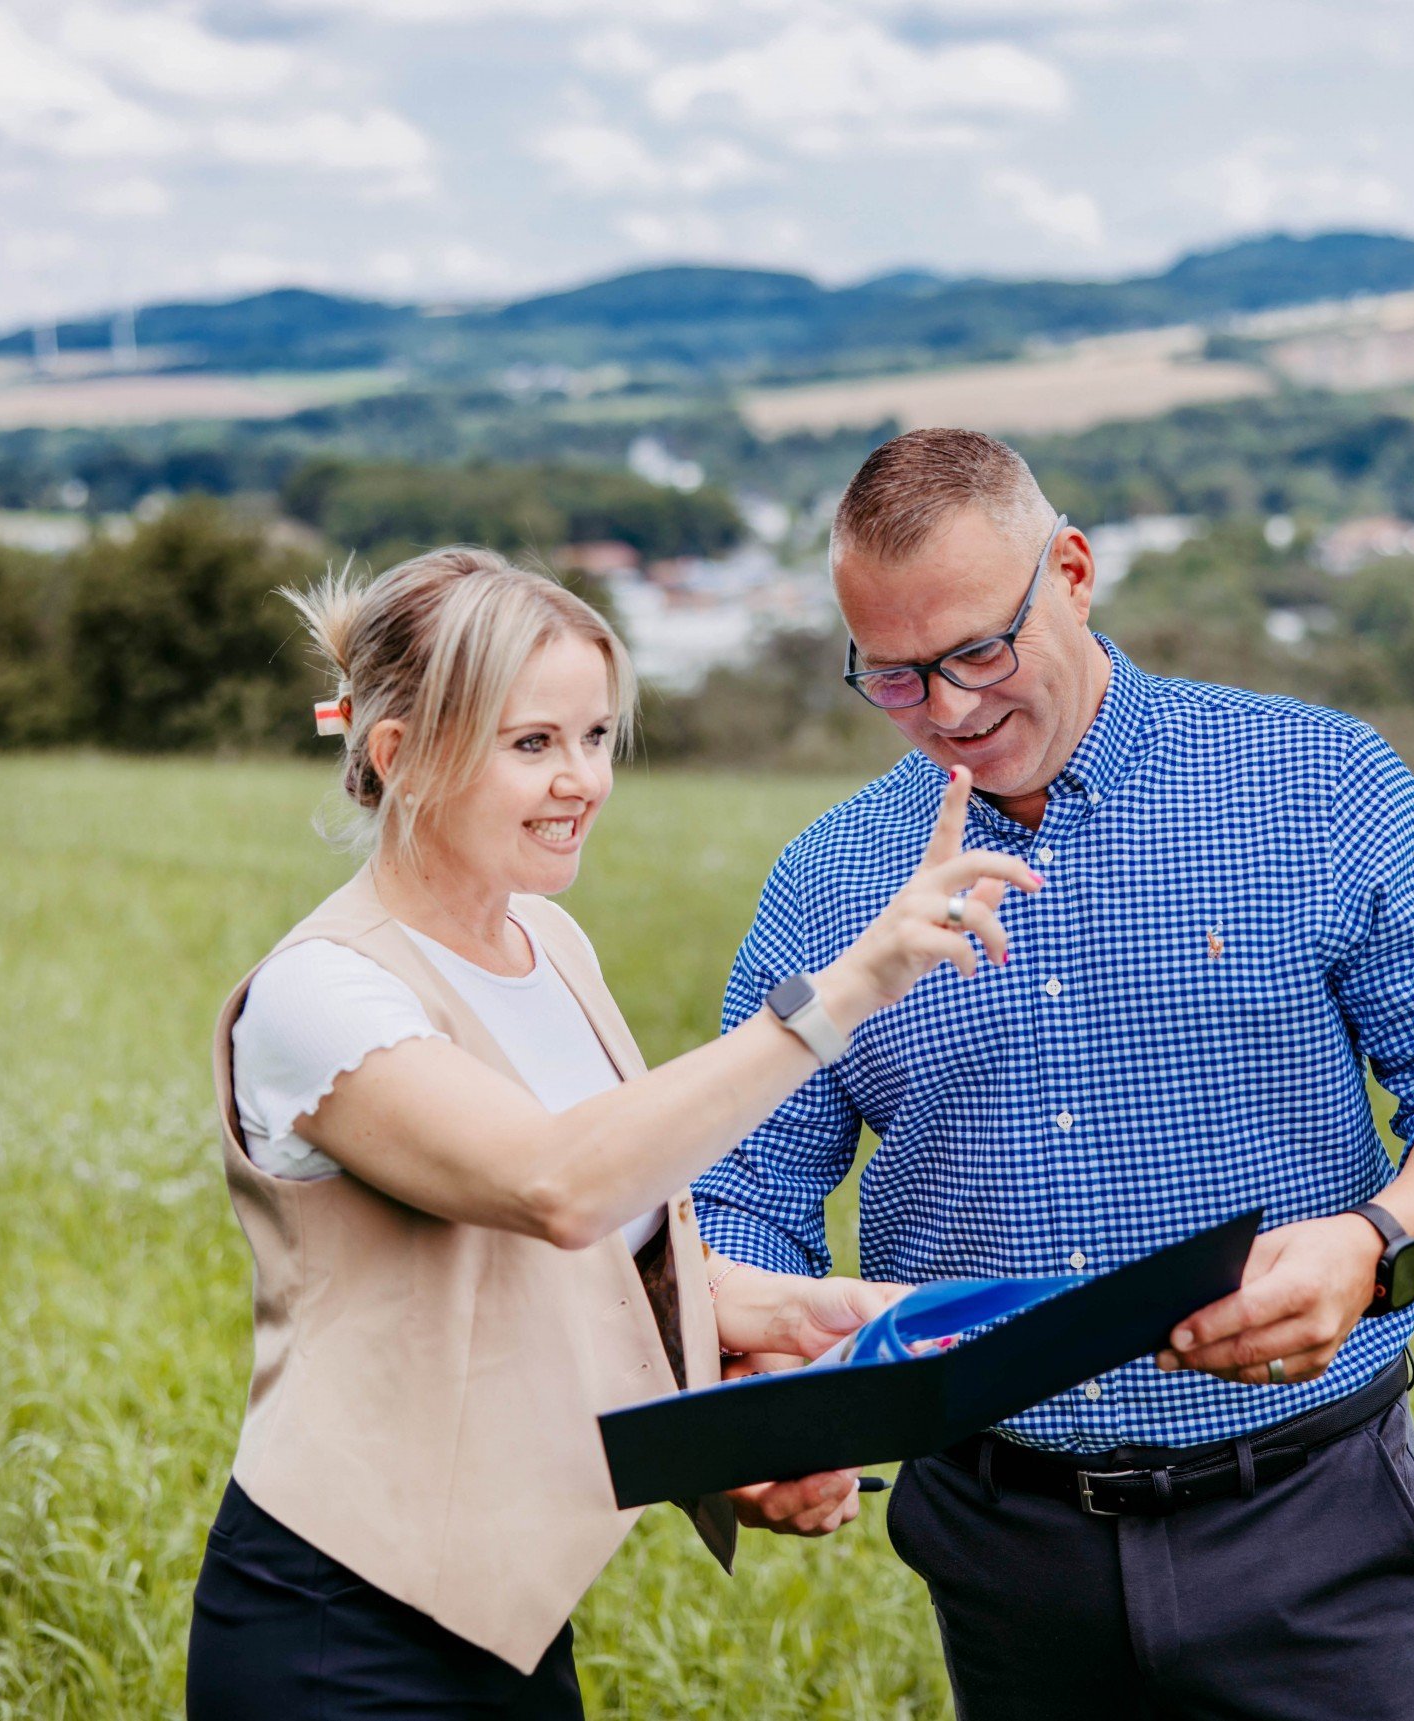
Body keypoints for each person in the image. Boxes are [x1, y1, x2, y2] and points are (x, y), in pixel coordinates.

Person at [695, 429, 1414, 1719]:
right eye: (893, 675)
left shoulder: (1320, 784)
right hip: (1002, 1547)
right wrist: (759, 1394)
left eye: (979, 652)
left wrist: (1375, 1242)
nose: (948, 709)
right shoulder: (828, 879)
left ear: (1071, 570)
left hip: (1314, 1521)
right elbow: (740, 1188)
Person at [186, 546, 1037, 1718]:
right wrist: (844, 991)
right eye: (533, 742)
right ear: (399, 754)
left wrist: (786, 1323)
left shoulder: (550, 944)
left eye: (595, 736)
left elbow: (607, 1248)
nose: (581, 778)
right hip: (337, 1617)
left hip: (509, 1622)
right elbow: (558, 1186)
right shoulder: (321, 994)